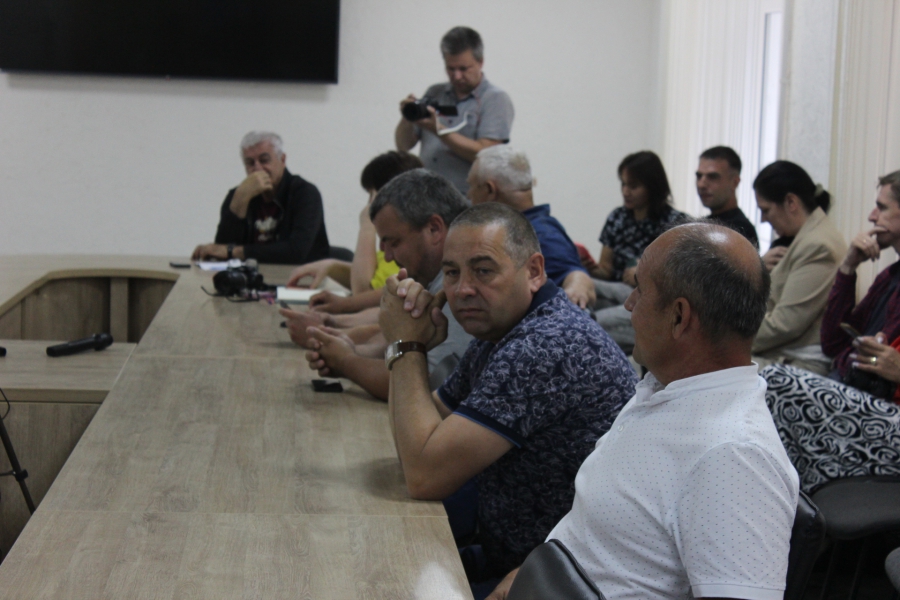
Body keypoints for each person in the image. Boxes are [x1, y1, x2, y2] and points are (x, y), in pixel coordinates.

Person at [488, 222, 799, 600]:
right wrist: (525, 576)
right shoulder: (667, 388)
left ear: (679, 316)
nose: (629, 304)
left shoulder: (733, 455)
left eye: (640, 289)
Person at [379, 202, 636, 592]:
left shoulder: (544, 346)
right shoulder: (506, 328)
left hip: (553, 584)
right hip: (511, 559)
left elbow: (423, 475)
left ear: (533, 271)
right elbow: (415, 436)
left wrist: (406, 344)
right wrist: (409, 342)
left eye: (483, 270)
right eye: (452, 272)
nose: (463, 289)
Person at [762, 170, 900, 492]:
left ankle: (794, 510)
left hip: (888, 417)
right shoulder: (890, 277)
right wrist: (848, 266)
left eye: (882, 207)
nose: (872, 216)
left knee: (774, 382)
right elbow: (833, 342)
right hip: (853, 393)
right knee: (761, 388)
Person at [301, 169, 474, 399]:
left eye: (394, 242)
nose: (389, 257)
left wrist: (345, 361)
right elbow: (406, 352)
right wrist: (352, 350)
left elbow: (419, 386)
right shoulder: (435, 277)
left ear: (434, 228)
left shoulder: (460, 285)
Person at [282, 151, 423, 315]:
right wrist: (331, 266)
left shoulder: (404, 247)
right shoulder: (397, 243)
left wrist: (368, 224)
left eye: (372, 196)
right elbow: (375, 282)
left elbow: (362, 292)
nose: (369, 203)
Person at [466, 145, 595, 308]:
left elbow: (573, 275)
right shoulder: (531, 229)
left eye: (472, 186)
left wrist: (577, 288)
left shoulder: (540, 235)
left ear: (490, 189)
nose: (469, 195)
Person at [585, 150, 687, 353]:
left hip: (650, 297)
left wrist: (645, 273)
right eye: (623, 184)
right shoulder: (617, 217)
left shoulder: (675, 224)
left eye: (633, 186)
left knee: (595, 320)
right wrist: (586, 266)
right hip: (617, 289)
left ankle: (585, 325)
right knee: (582, 284)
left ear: (652, 187)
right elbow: (605, 270)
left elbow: (680, 279)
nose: (626, 192)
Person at [751, 161, 846, 372]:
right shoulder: (808, 238)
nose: (763, 219)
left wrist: (727, 342)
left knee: (704, 368)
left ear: (791, 202)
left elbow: (785, 324)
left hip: (798, 365)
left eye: (766, 210)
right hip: (780, 356)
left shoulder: (818, 246)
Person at [395, 26, 514, 194]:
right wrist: (407, 117)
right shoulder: (434, 92)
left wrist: (439, 130)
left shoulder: (495, 99)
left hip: (467, 199)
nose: (457, 76)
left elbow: (487, 156)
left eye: (463, 69)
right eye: (451, 69)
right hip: (427, 195)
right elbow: (403, 145)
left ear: (480, 62)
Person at [192, 131, 329, 265]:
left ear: (282, 160)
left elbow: (296, 251)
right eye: (250, 163)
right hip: (251, 277)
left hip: (299, 277)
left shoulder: (305, 193)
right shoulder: (238, 194)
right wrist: (239, 201)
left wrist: (236, 251)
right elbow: (221, 251)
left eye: (264, 160)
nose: (257, 168)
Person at [695, 146, 759, 247]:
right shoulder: (702, 225)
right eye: (699, 176)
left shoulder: (741, 231)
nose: (701, 184)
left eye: (712, 177)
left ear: (734, 182)